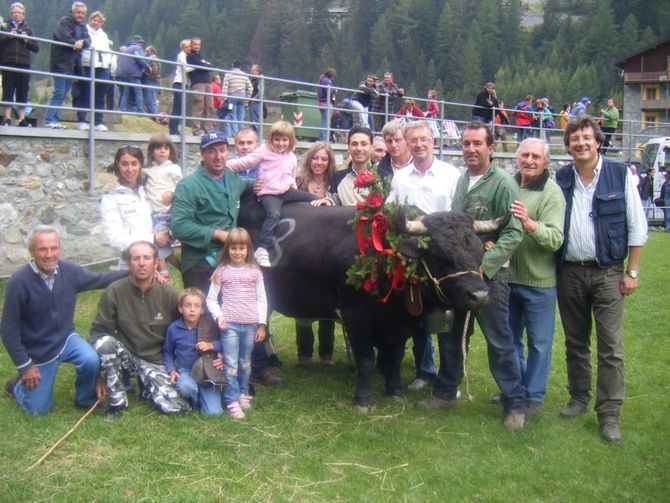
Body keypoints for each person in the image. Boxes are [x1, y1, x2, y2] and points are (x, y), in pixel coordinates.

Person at [418, 121, 527, 433]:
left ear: (490, 148)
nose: (470, 149)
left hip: (489, 275)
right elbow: (456, 227)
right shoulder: (464, 179)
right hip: (460, 275)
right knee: (451, 334)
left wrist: (485, 265)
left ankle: (515, 403)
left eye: (477, 144)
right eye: (466, 144)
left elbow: (513, 232)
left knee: (499, 339)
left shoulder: (503, 183)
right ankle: (445, 393)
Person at [555, 115, 648, 442]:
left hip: (608, 272)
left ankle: (609, 414)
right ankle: (579, 398)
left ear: (598, 141)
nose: (580, 143)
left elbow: (637, 226)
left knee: (611, 347)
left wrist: (631, 271)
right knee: (575, 342)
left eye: (586, 138)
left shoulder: (620, 175)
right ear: (568, 145)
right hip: (568, 272)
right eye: (574, 139)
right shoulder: (561, 177)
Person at [171, 130, 282, 387]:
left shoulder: (233, 179)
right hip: (200, 260)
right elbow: (180, 227)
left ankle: (255, 366)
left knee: (243, 309)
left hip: (230, 261)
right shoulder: (188, 185)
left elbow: (254, 185)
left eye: (222, 150)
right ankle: (204, 371)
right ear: (203, 154)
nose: (218, 155)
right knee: (204, 315)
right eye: (211, 150)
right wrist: (217, 233)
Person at [1, 226, 127, 416]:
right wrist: (25, 366)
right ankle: (18, 386)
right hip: (38, 352)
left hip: (66, 339)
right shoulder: (18, 281)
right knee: (37, 411)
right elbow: (8, 330)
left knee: (90, 359)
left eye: (54, 248)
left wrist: (137, 272)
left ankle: (85, 399)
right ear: (31, 252)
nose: (49, 254)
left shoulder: (69, 271)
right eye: (43, 249)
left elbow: (101, 279)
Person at [387, 121, 461, 391]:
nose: (419, 144)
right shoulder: (400, 177)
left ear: (433, 142)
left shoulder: (450, 174)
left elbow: (456, 213)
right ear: (407, 143)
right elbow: (391, 209)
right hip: (411, 252)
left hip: (442, 255)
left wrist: (429, 222)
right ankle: (425, 370)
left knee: (445, 316)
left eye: (424, 139)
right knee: (415, 309)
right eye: (414, 140)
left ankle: (449, 375)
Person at [90, 241, 190, 418]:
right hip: (126, 356)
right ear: (129, 262)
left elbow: (183, 331)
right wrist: (98, 373)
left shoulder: (169, 294)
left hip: (156, 361)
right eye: (136, 258)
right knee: (105, 343)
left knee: (176, 409)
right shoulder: (114, 291)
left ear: (155, 262)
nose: (142, 263)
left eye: (147, 258)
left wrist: (177, 367)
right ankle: (118, 404)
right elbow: (99, 332)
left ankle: (146, 387)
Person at [507, 138, 565, 417]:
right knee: (510, 340)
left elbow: (555, 239)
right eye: (525, 155)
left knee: (539, 344)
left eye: (536, 157)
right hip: (507, 279)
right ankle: (516, 390)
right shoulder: (508, 185)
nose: (529, 161)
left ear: (546, 163)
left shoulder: (552, 194)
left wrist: (530, 224)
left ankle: (533, 397)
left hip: (539, 282)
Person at [225, 120, 320, 267]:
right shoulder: (264, 151)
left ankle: (325, 202)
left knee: (313, 198)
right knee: (273, 214)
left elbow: (291, 175)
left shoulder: (291, 157)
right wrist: (225, 165)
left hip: (287, 191)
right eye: (277, 139)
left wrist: (295, 192)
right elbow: (245, 162)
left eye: (284, 140)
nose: (280, 143)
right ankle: (262, 247)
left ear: (290, 141)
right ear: (271, 139)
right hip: (269, 193)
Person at [206, 228, 267, 420]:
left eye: (241, 248)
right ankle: (231, 400)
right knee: (231, 364)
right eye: (233, 248)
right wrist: (219, 316)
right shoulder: (221, 272)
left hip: (249, 324)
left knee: (245, 363)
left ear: (248, 249)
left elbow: (262, 299)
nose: (237, 252)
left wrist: (262, 324)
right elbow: (211, 299)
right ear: (227, 249)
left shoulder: (255, 272)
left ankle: (242, 392)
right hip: (230, 325)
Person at [295, 143, 338, 363]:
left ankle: (326, 353)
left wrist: (330, 201)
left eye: (324, 159)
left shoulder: (335, 183)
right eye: (315, 158)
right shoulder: (299, 183)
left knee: (327, 299)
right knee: (303, 295)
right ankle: (304, 353)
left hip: (329, 248)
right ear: (309, 160)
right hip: (303, 246)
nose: (319, 163)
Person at [100, 145, 169, 265]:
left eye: (134, 163)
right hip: (130, 264)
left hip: (157, 261)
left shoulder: (148, 190)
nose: (130, 169)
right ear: (118, 164)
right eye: (125, 164)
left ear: (141, 164)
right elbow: (115, 238)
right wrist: (152, 239)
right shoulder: (110, 197)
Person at [163, 287, 224, 416]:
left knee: (214, 413)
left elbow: (223, 344)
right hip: (185, 371)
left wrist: (211, 345)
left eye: (196, 306)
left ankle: (206, 398)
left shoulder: (209, 326)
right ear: (180, 308)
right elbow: (167, 352)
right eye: (187, 305)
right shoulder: (173, 328)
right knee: (186, 387)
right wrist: (171, 371)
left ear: (202, 310)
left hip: (206, 373)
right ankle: (194, 400)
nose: (192, 309)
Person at [44, 1, 90, 129]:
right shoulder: (65, 22)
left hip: (72, 65)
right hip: (60, 62)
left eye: (82, 13)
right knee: (58, 92)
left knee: (64, 93)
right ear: (73, 12)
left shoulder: (83, 26)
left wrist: (81, 42)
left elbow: (88, 40)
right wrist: (76, 42)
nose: (80, 15)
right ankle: (49, 120)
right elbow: (64, 37)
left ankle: (55, 119)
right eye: (78, 12)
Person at [144, 133, 183, 277]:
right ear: (151, 151)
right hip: (151, 213)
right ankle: (179, 267)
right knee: (153, 242)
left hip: (166, 212)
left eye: (166, 148)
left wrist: (172, 193)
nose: (162, 151)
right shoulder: (147, 170)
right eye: (158, 148)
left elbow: (181, 186)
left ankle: (163, 271)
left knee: (158, 242)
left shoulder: (173, 168)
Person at [0, 2, 39, 127]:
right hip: (8, 62)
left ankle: (22, 119)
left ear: (23, 14)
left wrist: (26, 39)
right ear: (11, 14)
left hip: (23, 63)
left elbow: (36, 47)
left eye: (19, 12)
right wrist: (9, 36)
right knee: (8, 90)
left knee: (22, 91)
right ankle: (6, 118)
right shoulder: (5, 27)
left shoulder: (28, 29)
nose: (16, 15)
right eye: (14, 13)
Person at [75, 10, 111, 131]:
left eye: (99, 21)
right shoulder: (84, 30)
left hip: (102, 66)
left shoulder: (103, 35)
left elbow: (107, 50)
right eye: (94, 20)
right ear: (90, 20)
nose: (96, 23)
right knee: (85, 93)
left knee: (100, 95)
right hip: (87, 64)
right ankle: (81, 120)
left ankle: (98, 121)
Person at [331, 126, 377, 206]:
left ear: (371, 147)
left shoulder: (383, 175)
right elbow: (331, 207)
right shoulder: (337, 178)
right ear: (348, 148)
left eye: (364, 144)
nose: (359, 148)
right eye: (354, 144)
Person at [186, 37, 214, 136]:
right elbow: (201, 66)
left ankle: (209, 128)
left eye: (199, 44)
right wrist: (205, 65)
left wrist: (205, 65)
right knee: (199, 106)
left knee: (209, 106)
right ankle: (196, 129)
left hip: (207, 82)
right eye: (195, 44)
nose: (197, 46)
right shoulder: (190, 56)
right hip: (198, 82)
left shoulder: (199, 56)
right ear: (191, 45)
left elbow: (209, 67)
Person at [116, 35, 148, 114]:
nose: (142, 44)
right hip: (133, 73)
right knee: (138, 91)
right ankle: (140, 110)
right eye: (141, 42)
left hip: (123, 73)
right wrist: (147, 66)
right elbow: (139, 58)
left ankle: (122, 109)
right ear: (138, 43)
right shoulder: (137, 48)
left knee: (125, 92)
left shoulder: (127, 49)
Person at [221, 60, 253, 139]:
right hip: (242, 97)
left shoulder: (228, 74)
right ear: (240, 67)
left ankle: (235, 135)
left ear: (232, 66)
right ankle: (242, 134)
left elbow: (225, 87)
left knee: (232, 115)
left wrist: (224, 98)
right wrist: (247, 98)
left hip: (232, 97)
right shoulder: (244, 75)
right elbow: (250, 88)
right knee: (241, 116)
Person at [168, 39, 190, 136]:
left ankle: (174, 128)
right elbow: (186, 68)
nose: (188, 49)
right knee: (177, 108)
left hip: (183, 83)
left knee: (179, 107)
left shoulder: (186, 56)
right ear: (183, 48)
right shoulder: (182, 55)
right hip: (179, 83)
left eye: (189, 46)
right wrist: (198, 66)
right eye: (186, 47)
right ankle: (173, 128)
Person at [317, 67, 336, 142]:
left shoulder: (321, 80)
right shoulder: (327, 81)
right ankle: (324, 140)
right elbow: (329, 91)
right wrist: (334, 91)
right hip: (326, 103)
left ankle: (322, 139)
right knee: (326, 123)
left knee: (323, 122)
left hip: (321, 103)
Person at [142, 45, 160, 117]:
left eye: (147, 51)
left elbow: (155, 70)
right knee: (149, 100)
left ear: (152, 52)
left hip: (152, 81)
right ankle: (153, 116)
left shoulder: (152, 59)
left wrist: (147, 74)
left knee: (151, 100)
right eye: (145, 51)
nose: (146, 53)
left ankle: (155, 116)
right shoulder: (151, 59)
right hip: (152, 81)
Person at [248, 64, 263, 133]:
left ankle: (258, 138)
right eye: (251, 70)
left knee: (256, 122)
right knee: (253, 122)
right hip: (252, 103)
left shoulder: (260, 79)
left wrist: (254, 99)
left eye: (253, 70)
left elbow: (261, 92)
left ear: (258, 71)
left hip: (256, 103)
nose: (251, 72)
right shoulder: (253, 80)